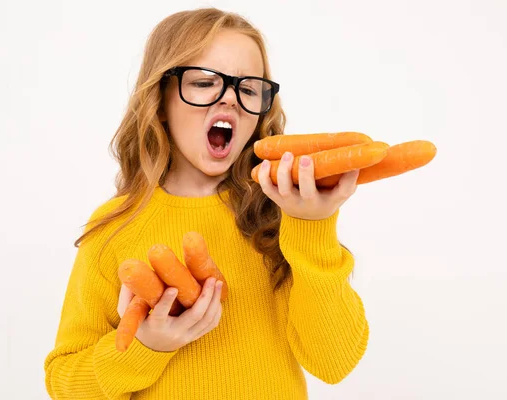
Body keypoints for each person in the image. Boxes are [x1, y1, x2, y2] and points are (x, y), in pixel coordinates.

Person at [44, 7, 369, 400]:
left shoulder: (280, 216)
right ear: (160, 101)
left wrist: (314, 225)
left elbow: (334, 362)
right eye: (204, 82)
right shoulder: (116, 228)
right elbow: (64, 384)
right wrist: (147, 346)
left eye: (249, 89)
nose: (231, 99)